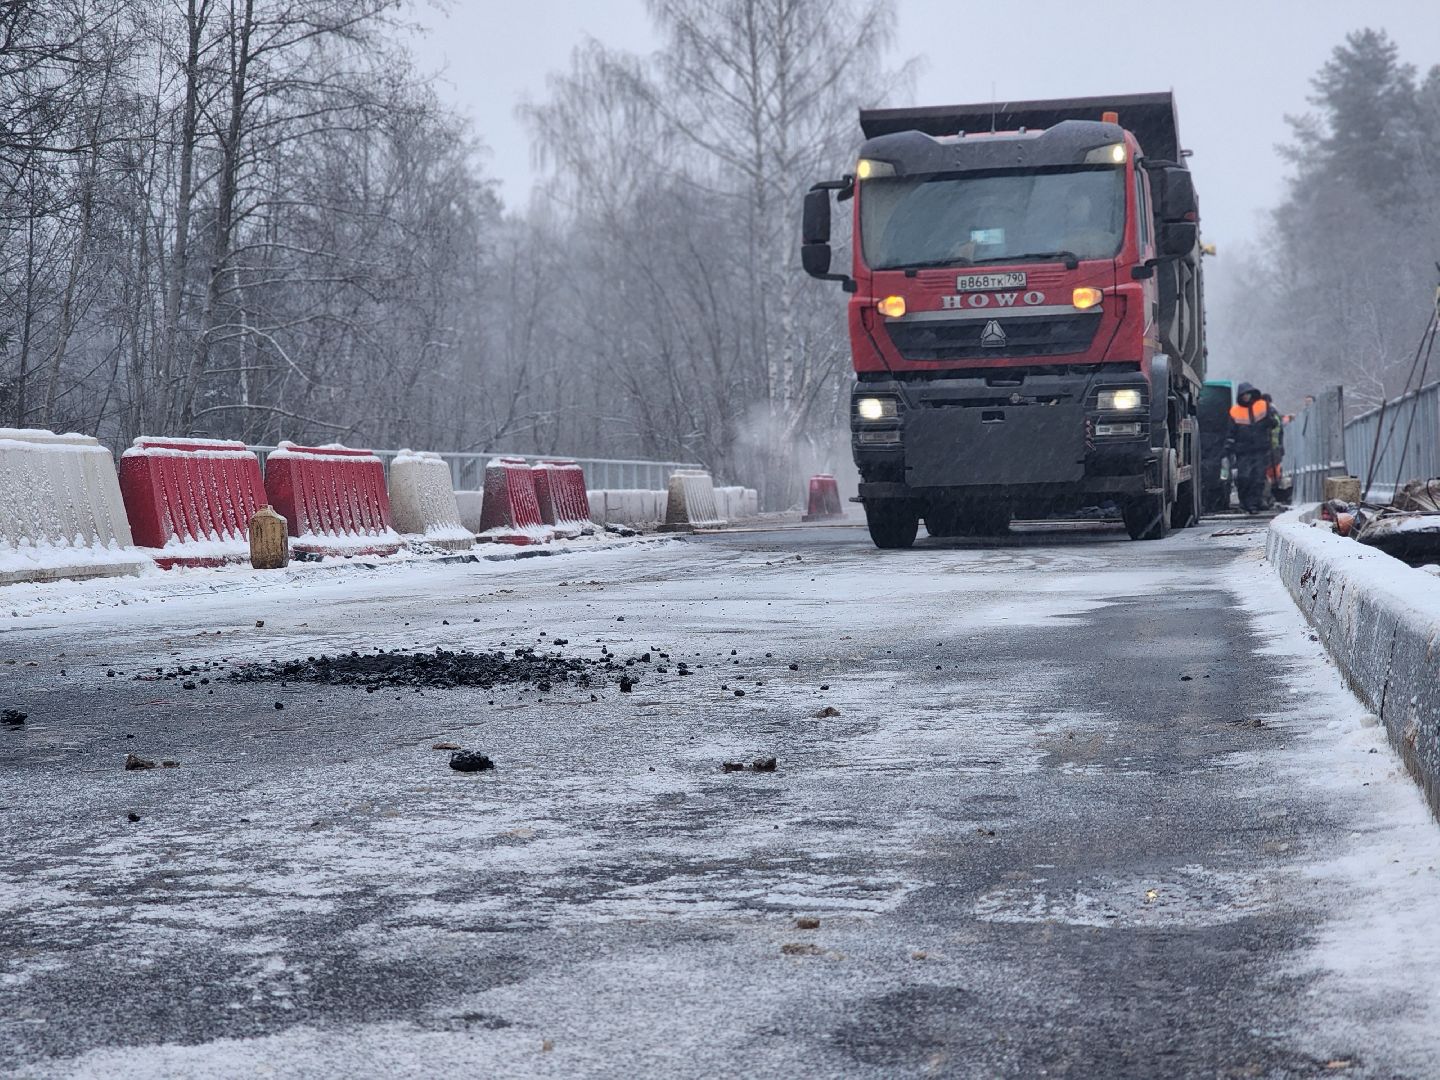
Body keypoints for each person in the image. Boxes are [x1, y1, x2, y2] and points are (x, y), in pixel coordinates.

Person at [1224, 382, 1280, 513]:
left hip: (1260, 449)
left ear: (1251, 394)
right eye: (1243, 395)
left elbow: (1273, 422)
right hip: (1243, 451)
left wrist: (1270, 421)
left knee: (1258, 478)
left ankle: (1253, 504)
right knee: (1244, 477)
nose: (1246, 397)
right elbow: (1231, 431)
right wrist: (1229, 445)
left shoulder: (1262, 406)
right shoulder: (1235, 411)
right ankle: (1245, 502)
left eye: (1247, 394)